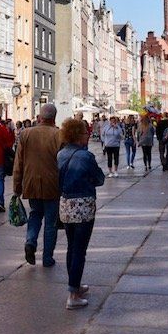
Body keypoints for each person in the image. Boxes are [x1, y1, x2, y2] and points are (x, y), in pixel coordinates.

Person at [57, 118, 105, 309]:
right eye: (85, 133)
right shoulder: (86, 156)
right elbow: (99, 179)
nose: (88, 135)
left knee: (71, 247)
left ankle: (74, 286)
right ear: (78, 135)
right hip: (83, 206)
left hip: (66, 205)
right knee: (79, 250)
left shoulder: (61, 154)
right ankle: (72, 295)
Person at [13, 103, 61, 268]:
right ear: (54, 118)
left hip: (31, 182)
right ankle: (47, 258)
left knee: (35, 215)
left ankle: (30, 242)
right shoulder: (59, 135)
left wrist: (17, 186)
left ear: (40, 117)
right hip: (52, 184)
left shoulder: (26, 134)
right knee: (51, 223)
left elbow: (18, 163)